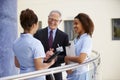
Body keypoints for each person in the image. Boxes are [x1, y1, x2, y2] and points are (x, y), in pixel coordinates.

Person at [13, 9, 55, 80]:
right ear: (34, 25)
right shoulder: (36, 43)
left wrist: (42, 57)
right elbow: (39, 67)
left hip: (22, 77)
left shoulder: (16, 42)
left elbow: (17, 64)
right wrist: (51, 63)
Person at [34, 10, 69, 80]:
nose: (52, 22)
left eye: (55, 20)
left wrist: (55, 57)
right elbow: (34, 52)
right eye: (51, 19)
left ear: (60, 21)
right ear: (48, 18)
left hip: (56, 73)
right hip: (41, 72)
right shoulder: (38, 33)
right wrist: (44, 56)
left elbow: (66, 56)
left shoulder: (64, 36)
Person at [64, 13, 94, 80]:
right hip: (72, 75)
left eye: (76, 23)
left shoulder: (87, 39)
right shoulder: (76, 39)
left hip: (80, 75)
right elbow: (72, 55)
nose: (74, 26)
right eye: (73, 24)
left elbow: (81, 59)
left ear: (83, 24)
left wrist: (67, 58)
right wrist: (67, 64)